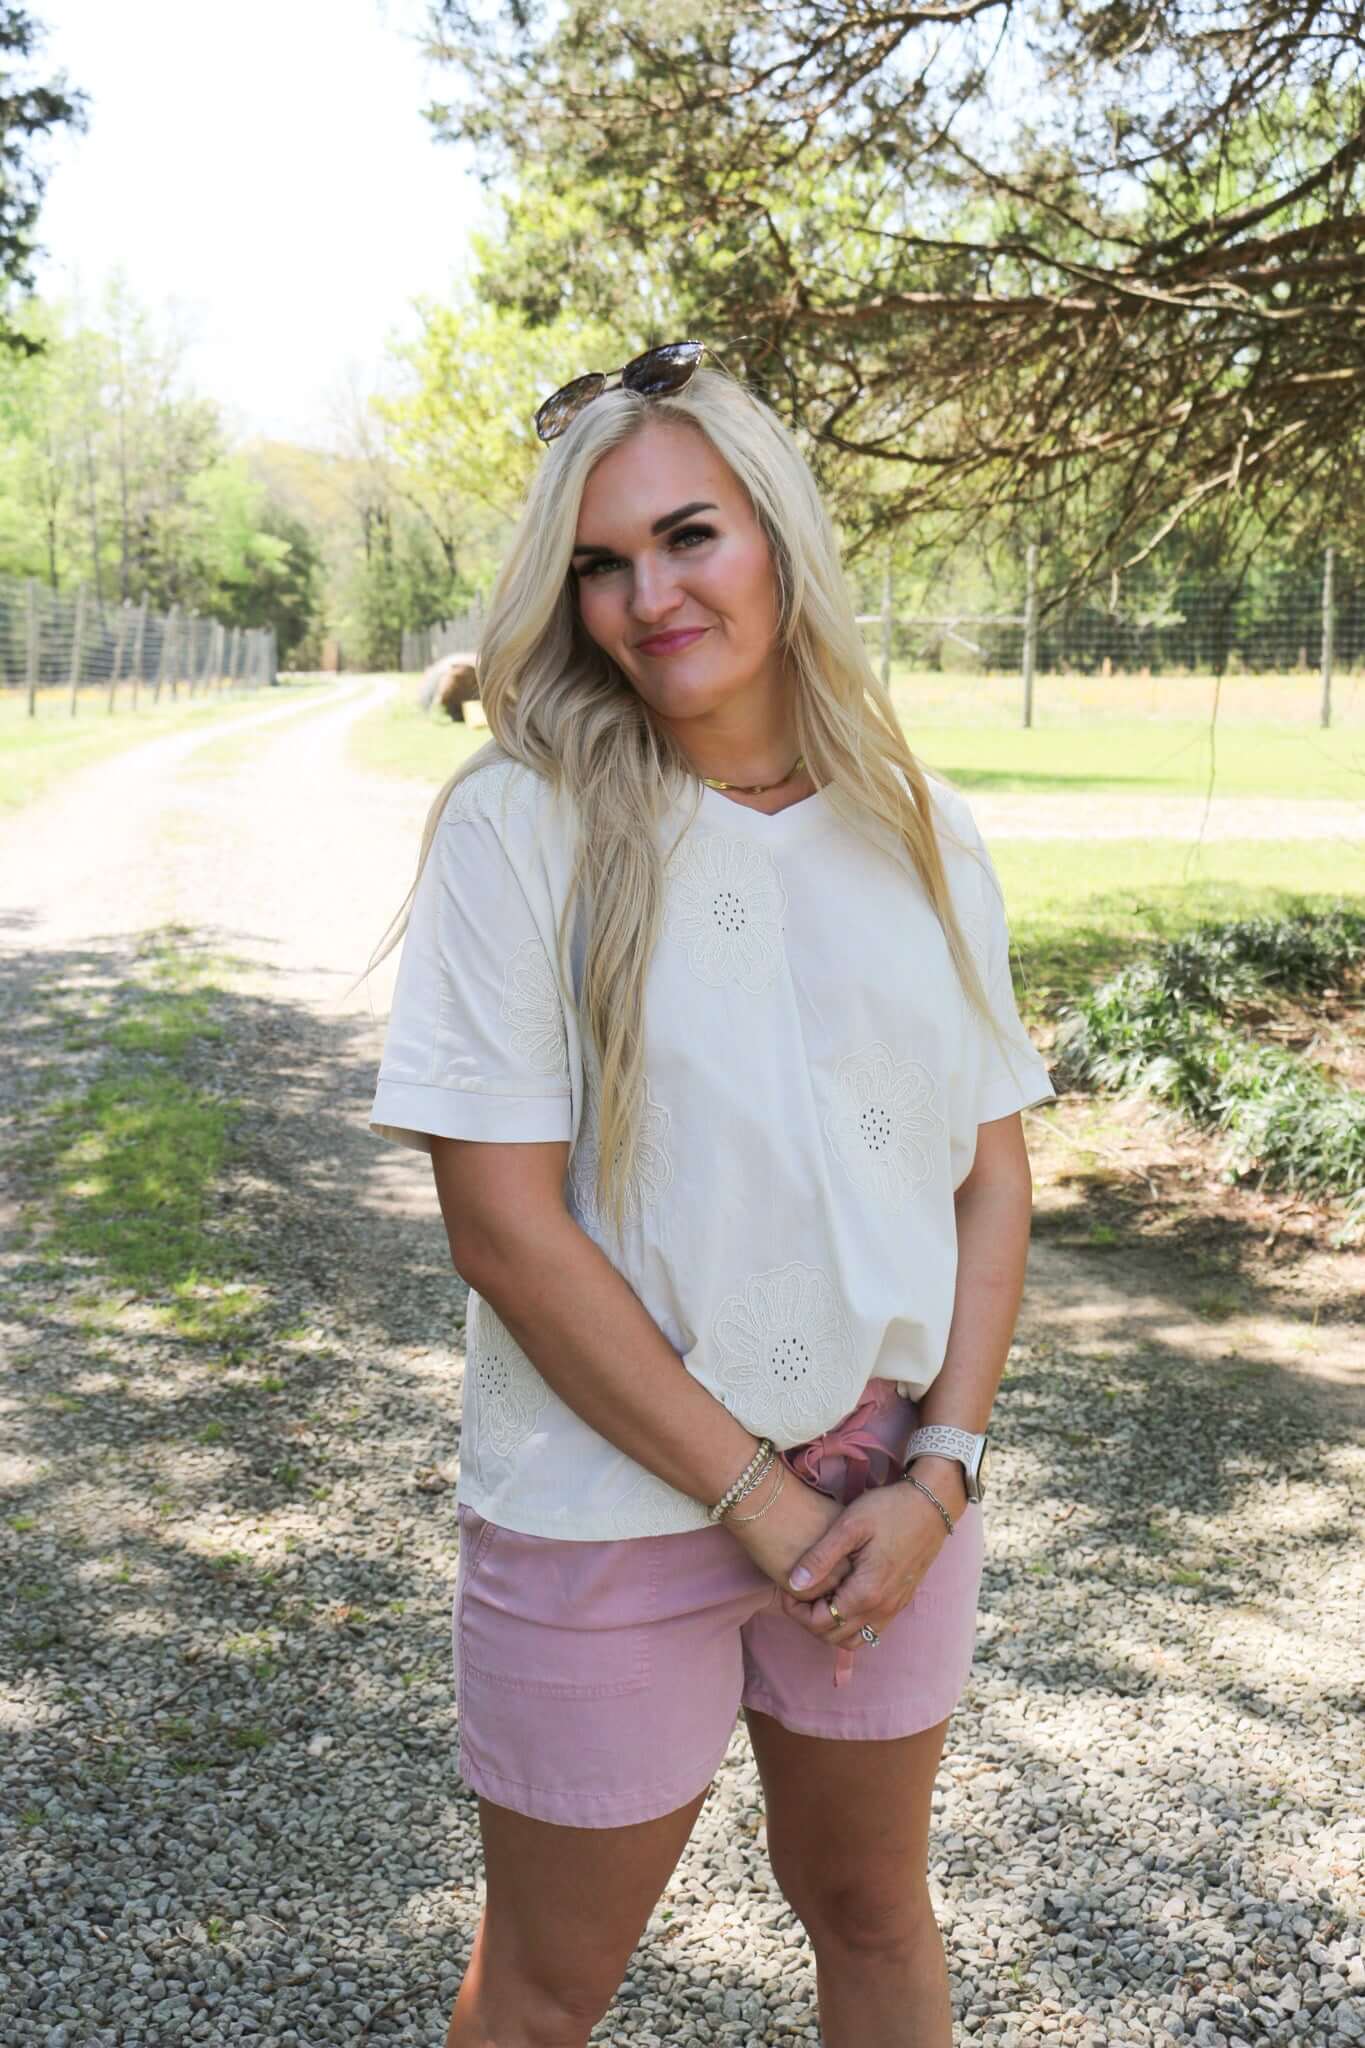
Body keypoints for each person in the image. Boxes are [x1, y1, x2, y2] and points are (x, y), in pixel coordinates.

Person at [362, 343, 1055, 2048]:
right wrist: (755, 1500)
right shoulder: (519, 828)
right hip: (607, 1502)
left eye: (689, 536)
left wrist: (942, 1471)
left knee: (875, 1915)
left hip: (886, 1501)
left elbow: (987, 1177)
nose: (648, 597)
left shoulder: (921, 828)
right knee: (544, 1991)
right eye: (600, 563)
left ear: (778, 537)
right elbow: (500, 1228)